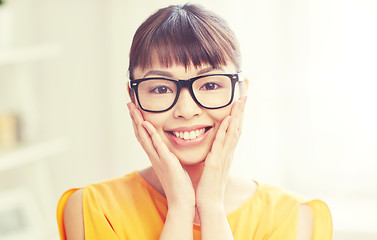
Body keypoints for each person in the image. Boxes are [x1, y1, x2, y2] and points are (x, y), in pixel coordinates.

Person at [57, 3, 332, 240]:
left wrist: (211, 207)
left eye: (210, 85)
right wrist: (180, 207)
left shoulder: (292, 217)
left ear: (241, 92)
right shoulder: (92, 209)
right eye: (161, 88)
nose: (186, 110)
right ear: (133, 96)